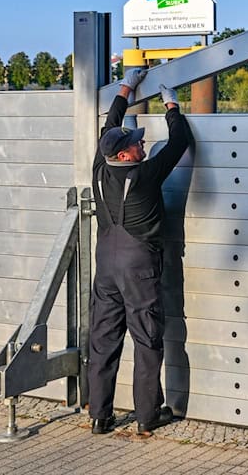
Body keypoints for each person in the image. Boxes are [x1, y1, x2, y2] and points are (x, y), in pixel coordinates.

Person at [88, 69, 193, 436]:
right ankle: (148, 417)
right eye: (136, 143)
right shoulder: (146, 175)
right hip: (139, 269)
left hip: (105, 265)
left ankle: (99, 417)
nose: (142, 145)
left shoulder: (99, 169)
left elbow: (110, 125)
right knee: (147, 340)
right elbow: (180, 140)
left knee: (103, 339)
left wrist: (125, 87)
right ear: (124, 155)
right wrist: (172, 106)